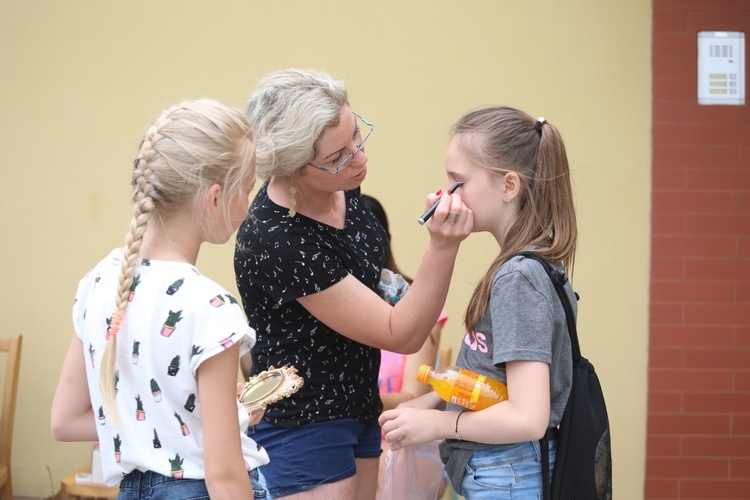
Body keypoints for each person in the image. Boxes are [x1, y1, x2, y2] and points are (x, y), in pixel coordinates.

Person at [233, 68, 472, 500]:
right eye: (338, 157)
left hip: (360, 405)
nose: (359, 158)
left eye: (357, 137)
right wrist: (442, 245)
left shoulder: (345, 188)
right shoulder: (278, 240)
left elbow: (371, 284)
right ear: (290, 169)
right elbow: (400, 333)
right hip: (303, 423)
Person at [51, 99, 270, 499]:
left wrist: (198, 413)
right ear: (215, 197)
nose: (249, 208)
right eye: (249, 189)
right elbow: (224, 476)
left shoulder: (97, 282)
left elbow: (65, 421)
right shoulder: (211, 308)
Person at [378, 106, 577, 499]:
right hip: (503, 472)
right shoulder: (528, 267)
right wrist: (433, 400)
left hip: (507, 475)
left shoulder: (519, 277)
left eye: (457, 181)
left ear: (509, 186)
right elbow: (493, 379)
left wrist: (437, 426)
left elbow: (527, 417)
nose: (444, 195)